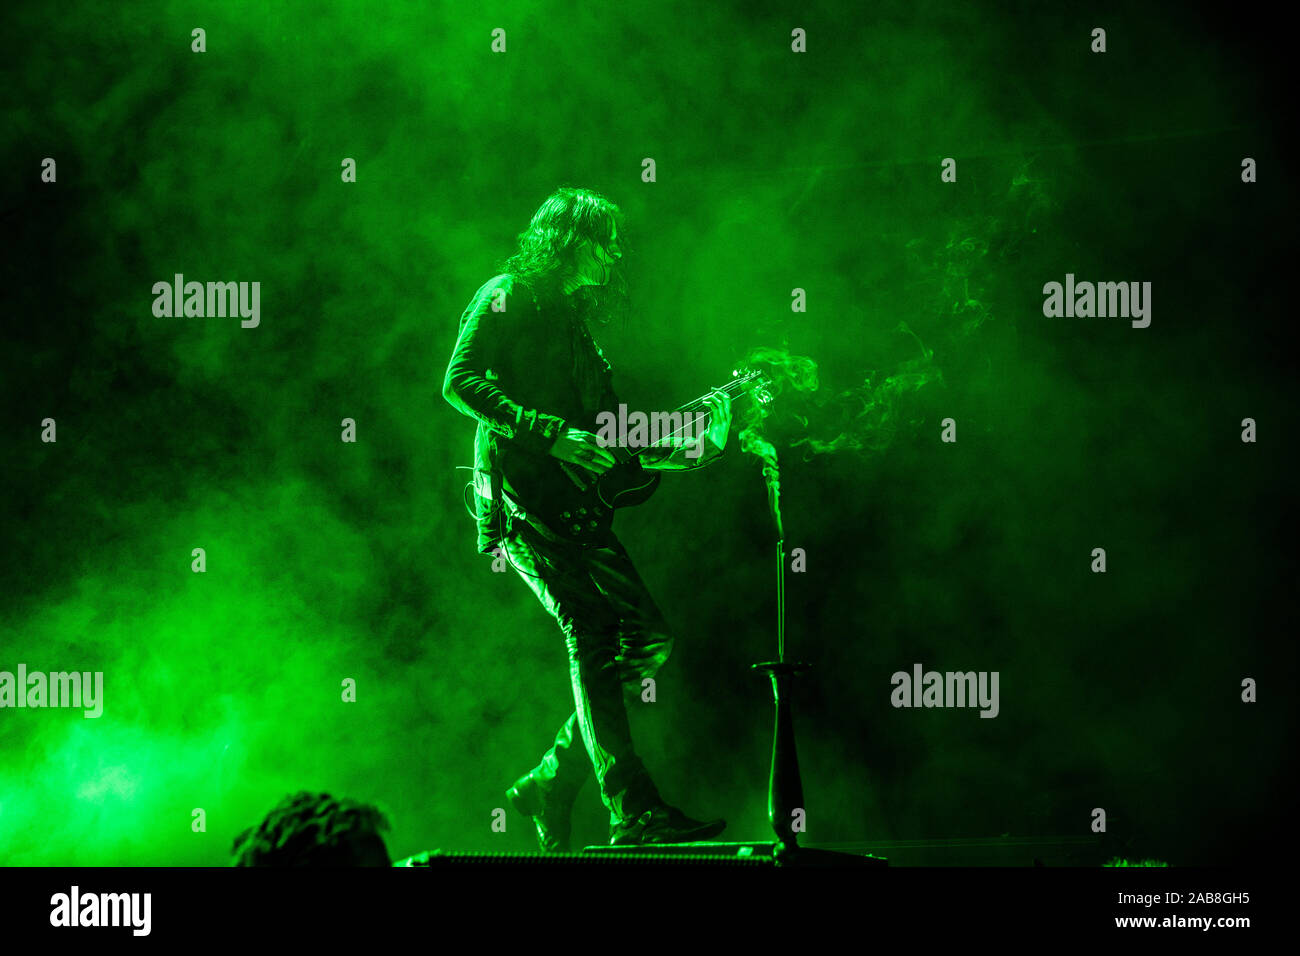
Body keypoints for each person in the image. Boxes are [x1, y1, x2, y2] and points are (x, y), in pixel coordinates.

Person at [443, 186, 732, 851]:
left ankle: (553, 777)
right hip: (522, 496)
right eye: (606, 241)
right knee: (595, 625)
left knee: (649, 637)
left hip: (571, 509)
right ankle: (632, 810)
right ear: (570, 240)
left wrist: (694, 442)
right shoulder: (507, 293)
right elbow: (459, 381)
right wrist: (547, 432)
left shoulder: (574, 327)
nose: (614, 255)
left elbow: (612, 435)